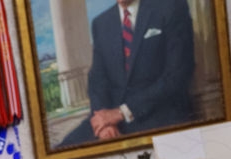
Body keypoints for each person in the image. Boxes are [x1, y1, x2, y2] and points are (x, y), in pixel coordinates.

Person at [58, 0, 195, 148]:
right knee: (61, 152)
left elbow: (177, 75)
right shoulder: (101, 23)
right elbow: (97, 80)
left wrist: (121, 112)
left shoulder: (171, 7)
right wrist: (104, 123)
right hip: (112, 120)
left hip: (158, 114)